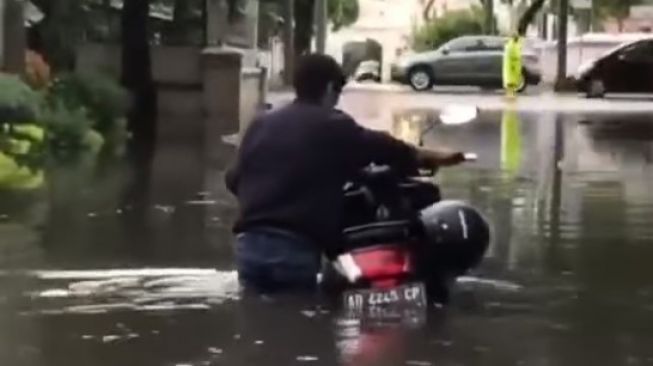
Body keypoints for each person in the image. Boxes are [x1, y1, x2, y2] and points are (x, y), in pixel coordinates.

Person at [225, 54, 466, 294]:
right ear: (330, 88)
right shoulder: (333, 125)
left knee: (258, 314)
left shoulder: (261, 124)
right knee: (299, 317)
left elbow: (233, 179)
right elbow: (384, 147)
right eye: (338, 92)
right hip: (294, 248)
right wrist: (429, 156)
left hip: (248, 247)